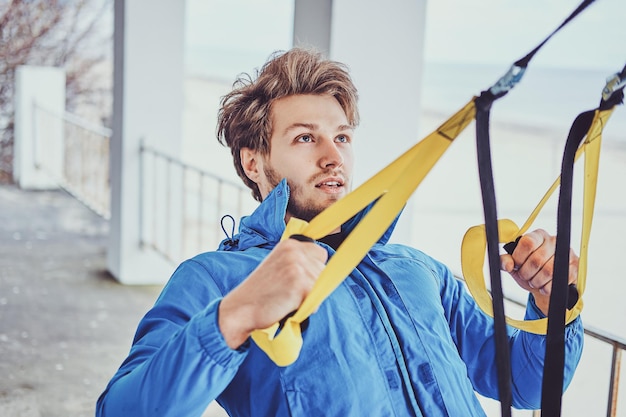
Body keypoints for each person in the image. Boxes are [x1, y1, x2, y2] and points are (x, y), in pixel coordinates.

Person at [96, 48, 583, 417]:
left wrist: (551, 301)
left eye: (342, 137)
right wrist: (235, 314)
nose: (333, 157)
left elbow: (525, 382)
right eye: (305, 137)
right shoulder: (217, 279)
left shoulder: (416, 270)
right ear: (253, 161)